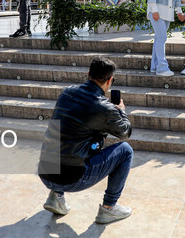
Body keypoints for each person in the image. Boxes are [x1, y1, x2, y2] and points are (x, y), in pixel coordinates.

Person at [38, 57, 133, 224]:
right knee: (125, 150)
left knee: (68, 142)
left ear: (88, 74)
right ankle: (108, 208)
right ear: (110, 80)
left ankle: (56, 196)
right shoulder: (105, 107)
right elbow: (125, 133)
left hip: (45, 171)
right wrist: (121, 111)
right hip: (71, 179)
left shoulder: (66, 93)